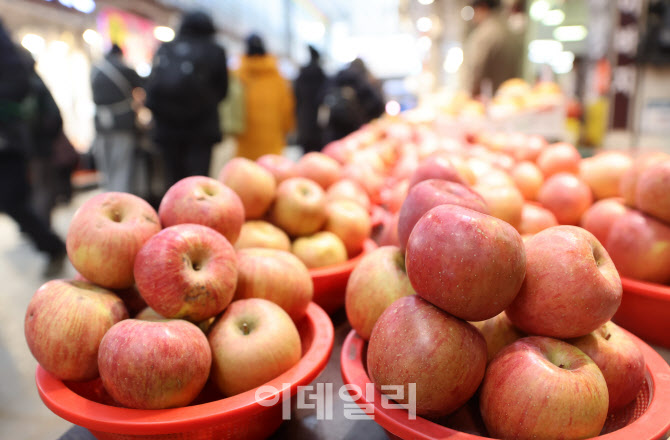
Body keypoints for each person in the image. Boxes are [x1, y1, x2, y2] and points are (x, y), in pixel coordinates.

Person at [0, 21, 66, 276]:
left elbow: (52, 116)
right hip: (27, 144)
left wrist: (44, 141)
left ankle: (49, 242)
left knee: (33, 194)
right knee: (31, 195)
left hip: (26, 145)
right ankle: (45, 238)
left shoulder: (24, 80)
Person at [145, 10, 228, 192]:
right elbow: (223, 92)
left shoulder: (166, 48)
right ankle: (196, 220)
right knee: (198, 186)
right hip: (201, 129)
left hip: (167, 130)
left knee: (173, 184)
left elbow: (151, 87)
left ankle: (173, 219)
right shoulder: (215, 51)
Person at [90, 44, 145, 196]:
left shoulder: (94, 71)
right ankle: (121, 199)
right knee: (122, 167)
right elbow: (143, 91)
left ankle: (107, 198)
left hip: (100, 125)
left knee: (106, 169)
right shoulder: (125, 70)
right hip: (123, 124)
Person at [234, 33, 295, 160]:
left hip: (245, 137)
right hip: (272, 137)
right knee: (270, 172)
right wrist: (288, 127)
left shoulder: (239, 74)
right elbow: (287, 106)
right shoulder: (277, 76)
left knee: (245, 174)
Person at [461, 0, 524, 97]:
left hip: (487, 101)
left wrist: (468, 96)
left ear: (482, 7)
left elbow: (475, 72)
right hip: (510, 100)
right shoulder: (510, 32)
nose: (473, 17)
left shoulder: (484, 34)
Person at [320, 58, 385, 144]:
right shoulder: (362, 80)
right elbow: (378, 104)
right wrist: (367, 118)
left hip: (334, 131)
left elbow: (320, 98)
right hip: (356, 131)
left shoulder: (336, 78)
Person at [293, 45, 327, 153]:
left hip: (304, 116)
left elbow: (295, 95)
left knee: (306, 151)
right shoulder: (321, 74)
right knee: (317, 151)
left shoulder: (302, 74)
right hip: (317, 119)